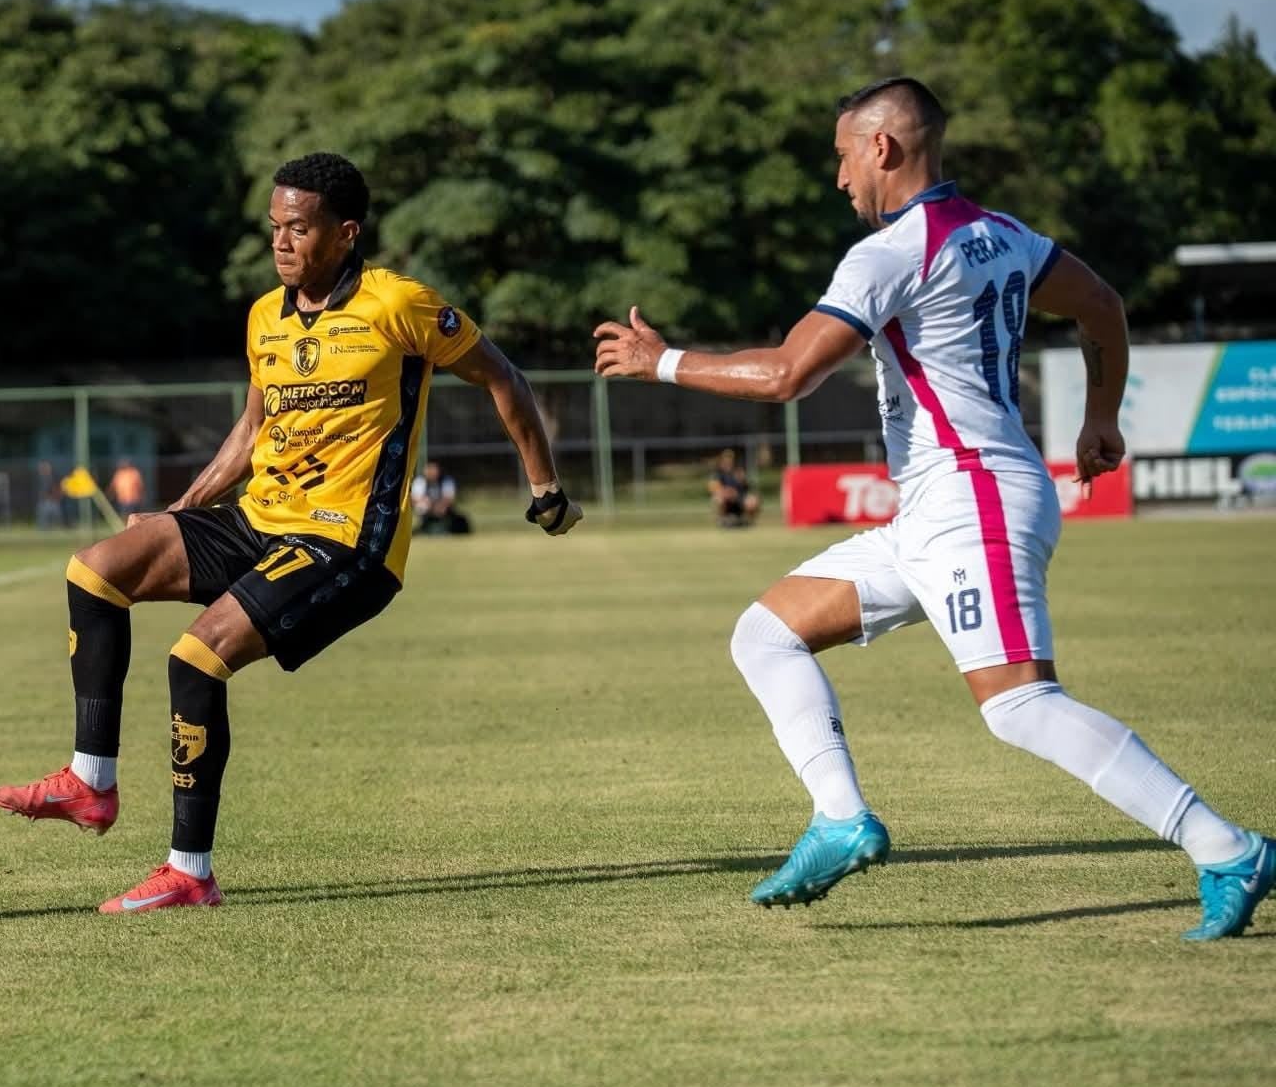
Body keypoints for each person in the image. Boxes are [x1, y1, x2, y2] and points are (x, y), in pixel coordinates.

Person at [595, 76, 1271, 941]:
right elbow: (1101, 305)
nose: (839, 178)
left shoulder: (889, 253)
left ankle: (1227, 848)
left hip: (972, 497)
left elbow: (786, 376)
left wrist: (661, 361)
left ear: (881, 148)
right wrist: (1102, 418)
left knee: (1020, 706)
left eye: (842, 156)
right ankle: (841, 820)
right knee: (765, 633)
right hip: (943, 505)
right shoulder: (1007, 233)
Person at [0, 153, 582, 912]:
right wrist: (181, 510)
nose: (282, 243)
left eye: (298, 228)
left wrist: (547, 492)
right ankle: (90, 781)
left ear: (345, 233)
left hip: (345, 544)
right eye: (274, 228)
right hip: (256, 519)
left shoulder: (398, 304)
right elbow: (252, 427)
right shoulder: (265, 317)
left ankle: (189, 872)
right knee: (95, 570)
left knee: (195, 659)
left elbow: (505, 377)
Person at [412, 459, 471, 535]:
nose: (432, 472)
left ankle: (443, 528)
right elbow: (414, 498)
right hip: (426, 507)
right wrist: (427, 503)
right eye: (429, 469)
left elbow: (449, 497)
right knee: (422, 506)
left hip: (441, 507)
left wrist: (440, 505)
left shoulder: (446, 480)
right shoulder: (420, 481)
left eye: (434, 469)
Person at [708, 449, 760, 527]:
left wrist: (743, 480)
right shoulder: (717, 473)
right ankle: (722, 521)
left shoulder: (738, 471)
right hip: (726, 499)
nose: (728, 460)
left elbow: (747, 488)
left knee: (753, 500)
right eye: (726, 458)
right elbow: (713, 488)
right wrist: (727, 492)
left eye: (730, 458)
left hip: (739, 498)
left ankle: (747, 521)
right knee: (718, 499)